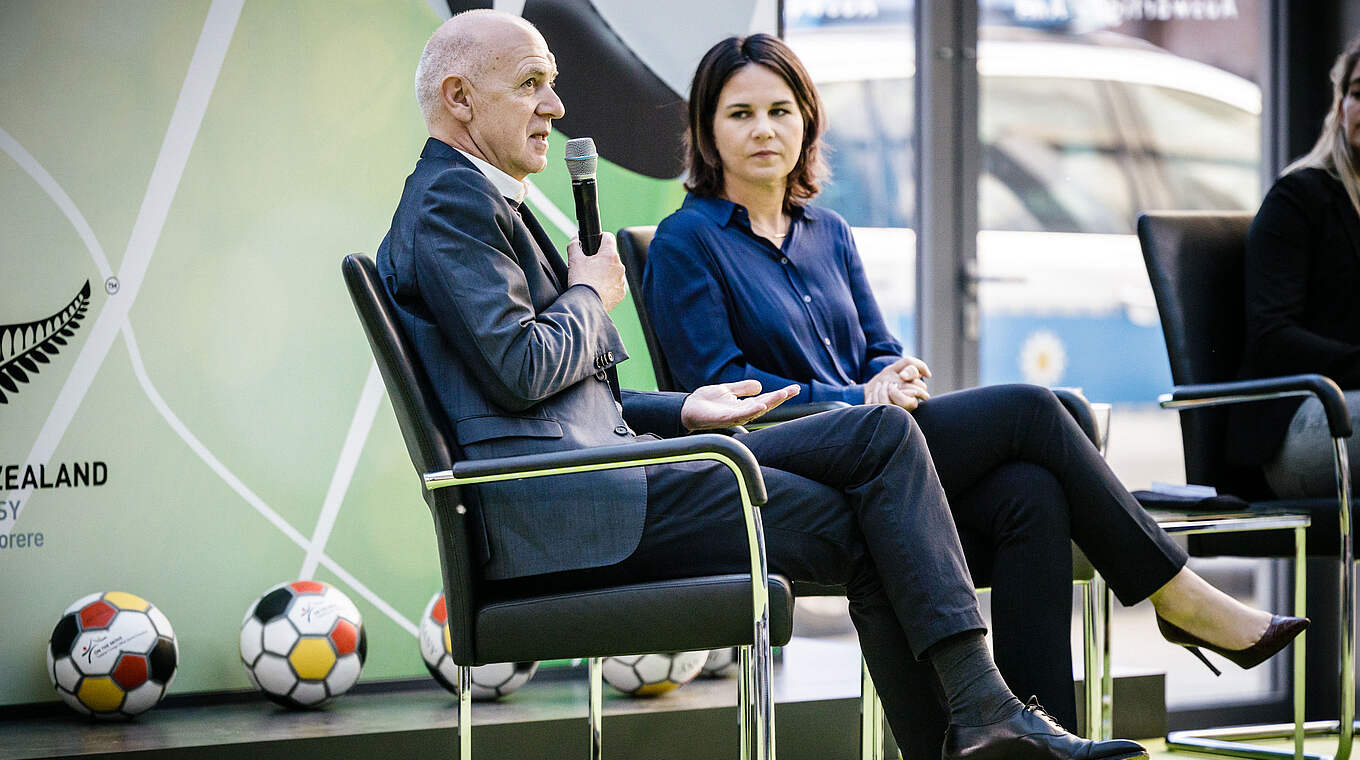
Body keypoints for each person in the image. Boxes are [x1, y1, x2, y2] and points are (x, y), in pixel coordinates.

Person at [377, 10, 1151, 759]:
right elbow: (522, 369)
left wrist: (682, 405)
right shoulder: (453, 203)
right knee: (892, 437)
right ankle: (990, 709)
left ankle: (980, 727)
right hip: (577, 510)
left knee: (888, 513)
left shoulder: (475, 200)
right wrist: (589, 294)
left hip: (600, 486)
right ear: (459, 98)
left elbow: (557, 394)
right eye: (531, 83)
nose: (555, 104)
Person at [642, 33, 1308, 754]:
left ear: (808, 120)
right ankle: (1176, 595)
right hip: (782, 462)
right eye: (740, 114)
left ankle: (1044, 737)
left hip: (879, 452)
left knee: (1031, 491)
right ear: (708, 130)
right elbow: (721, 384)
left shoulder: (828, 232)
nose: (764, 129)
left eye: (780, 109)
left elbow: (879, 348)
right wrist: (857, 394)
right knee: (1030, 409)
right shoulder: (687, 241)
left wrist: (896, 373)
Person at [1228, 33, 1360, 498]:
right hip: (1297, 420)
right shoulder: (1298, 198)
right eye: (1358, 92)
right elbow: (1272, 336)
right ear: (1340, 105)